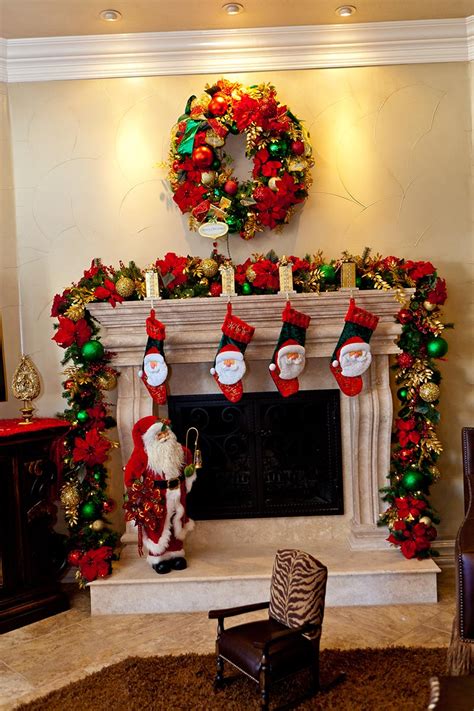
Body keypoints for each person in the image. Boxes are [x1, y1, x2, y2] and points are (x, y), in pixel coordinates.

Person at [123, 416, 196, 574]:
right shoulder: (143, 455)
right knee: (157, 526)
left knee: (177, 522)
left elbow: (189, 461)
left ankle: (176, 553)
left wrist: (189, 474)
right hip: (156, 497)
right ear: (150, 438)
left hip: (178, 494)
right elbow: (129, 477)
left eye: (166, 433)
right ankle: (158, 557)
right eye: (159, 435)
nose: (165, 437)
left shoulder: (180, 451)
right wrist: (138, 494)